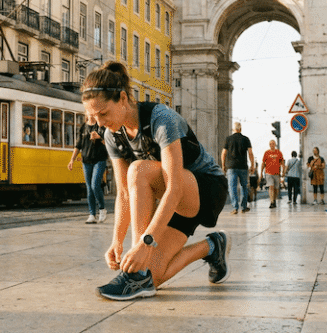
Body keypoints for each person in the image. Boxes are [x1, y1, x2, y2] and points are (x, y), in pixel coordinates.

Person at [82, 61, 229, 301]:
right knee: (155, 276)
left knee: (138, 170)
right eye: (93, 117)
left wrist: (145, 243)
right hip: (173, 201)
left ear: (122, 98)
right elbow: (124, 195)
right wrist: (116, 241)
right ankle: (214, 246)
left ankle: (135, 275)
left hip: (205, 188)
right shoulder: (112, 135)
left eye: (103, 113)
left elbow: (174, 187)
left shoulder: (161, 118)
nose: (99, 123)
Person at [68, 117, 109, 224]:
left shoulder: (101, 126)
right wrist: (72, 160)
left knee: (95, 185)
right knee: (89, 188)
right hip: (86, 161)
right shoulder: (83, 127)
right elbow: (78, 145)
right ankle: (92, 215)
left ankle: (102, 209)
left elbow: (109, 142)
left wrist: (100, 137)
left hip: (99, 160)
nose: (90, 113)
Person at [220, 122, 254, 214]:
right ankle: (243, 207)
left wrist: (223, 165)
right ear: (240, 129)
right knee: (244, 187)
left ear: (233, 129)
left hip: (231, 167)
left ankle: (235, 208)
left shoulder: (228, 139)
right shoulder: (246, 139)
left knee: (232, 187)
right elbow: (250, 153)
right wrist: (252, 165)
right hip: (243, 167)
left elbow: (223, 153)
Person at [261, 140, 284, 208]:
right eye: (271, 144)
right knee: (271, 187)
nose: (272, 145)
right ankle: (272, 202)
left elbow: (282, 162)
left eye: (273, 144)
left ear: (275, 145)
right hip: (268, 172)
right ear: (269, 145)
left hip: (277, 173)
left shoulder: (279, 152)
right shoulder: (266, 153)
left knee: (276, 188)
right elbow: (263, 163)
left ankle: (274, 200)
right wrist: (261, 172)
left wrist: (283, 171)